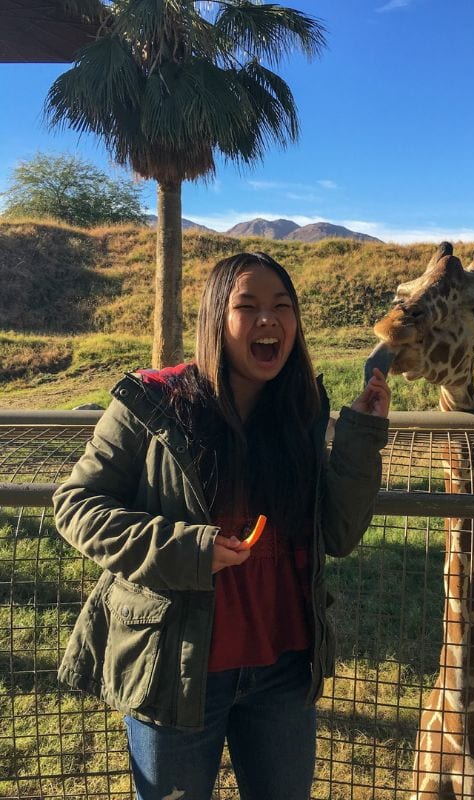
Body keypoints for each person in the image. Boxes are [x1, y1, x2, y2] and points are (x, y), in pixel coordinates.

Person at [52, 251, 391, 800]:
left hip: (283, 667)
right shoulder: (154, 402)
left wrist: (361, 435)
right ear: (215, 319)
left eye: (283, 306)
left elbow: (339, 534)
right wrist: (189, 549)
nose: (268, 320)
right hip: (177, 669)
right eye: (247, 306)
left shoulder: (300, 411)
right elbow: (76, 504)